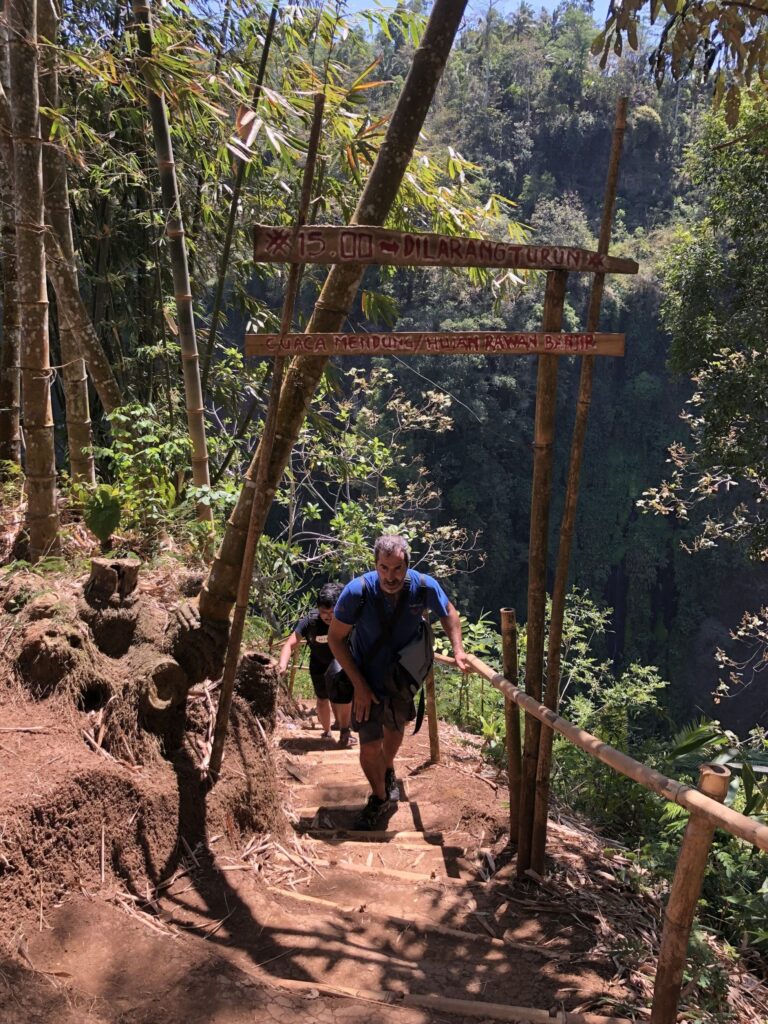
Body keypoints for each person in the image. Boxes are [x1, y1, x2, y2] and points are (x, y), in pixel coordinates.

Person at [328, 534, 469, 830]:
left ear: (407, 564)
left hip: (402, 677)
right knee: (369, 746)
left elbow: (449, 613)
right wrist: (360, 687)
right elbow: (335, 639)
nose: (391, 576)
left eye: (397, 568)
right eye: (384, 568)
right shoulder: (357, 592)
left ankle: (388, 766)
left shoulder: (423, 587)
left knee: (394, 728)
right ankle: (379, 799)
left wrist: (457, 649)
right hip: (364, 674)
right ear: (375, 565)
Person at [277, 583, 354, 747]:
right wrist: (282, 664)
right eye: (324, 612)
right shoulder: (310, 621)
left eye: (332, 612)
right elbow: (290, 643)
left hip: (340, 660)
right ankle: (327, 732)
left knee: (342, 690)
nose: (327, 616)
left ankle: (345, 730)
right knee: (322, 699)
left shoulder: (348, 619)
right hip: (318, 663)